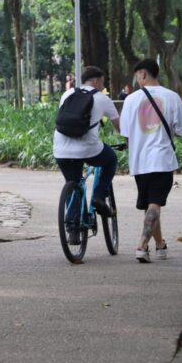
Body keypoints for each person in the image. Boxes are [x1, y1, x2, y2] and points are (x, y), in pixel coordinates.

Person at [120, 59, 182, 263]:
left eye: (136, 76)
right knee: (155, 205)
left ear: (142, 74)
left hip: (139, 162)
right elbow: (180, 131)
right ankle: (141, 246)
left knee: (152, 204)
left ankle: (160, 245)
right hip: (162, 160)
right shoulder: (173, 97)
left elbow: (125, 133)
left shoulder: (130, 100)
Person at [53, 66, 120, 245]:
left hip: (61, 149)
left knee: (72, 183)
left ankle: (73, 230)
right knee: (111, 159)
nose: (103, 85)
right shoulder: (103, 99)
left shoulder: (67, 95)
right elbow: (119, 126)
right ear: (97, 81)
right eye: (103, 82)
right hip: (88, 149)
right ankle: (99, 195)